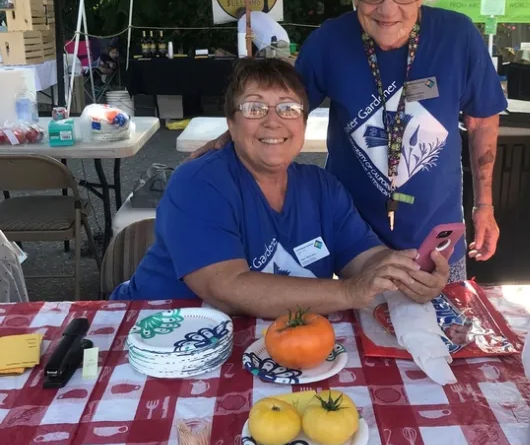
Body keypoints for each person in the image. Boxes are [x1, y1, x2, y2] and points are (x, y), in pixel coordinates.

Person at [193, 0, 507, 283]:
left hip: (436, 243)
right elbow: (282, 111)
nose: (389, 10)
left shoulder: (459, 37)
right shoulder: (330, 42)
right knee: (353, 338)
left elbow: (483, 119)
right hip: (352, 244)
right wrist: (231, 139)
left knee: (441, 335)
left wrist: (483, 205)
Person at [111, 59, 450, 318]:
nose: (273, 121)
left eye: (288, 108)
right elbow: (226, 287)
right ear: (231, 123)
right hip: (153, 335)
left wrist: (407, 272)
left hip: (268, 343)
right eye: (254, 107)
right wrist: (347, 293)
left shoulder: (322, 187)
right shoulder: (199, 182)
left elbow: (364, 257)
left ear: (303, 122)